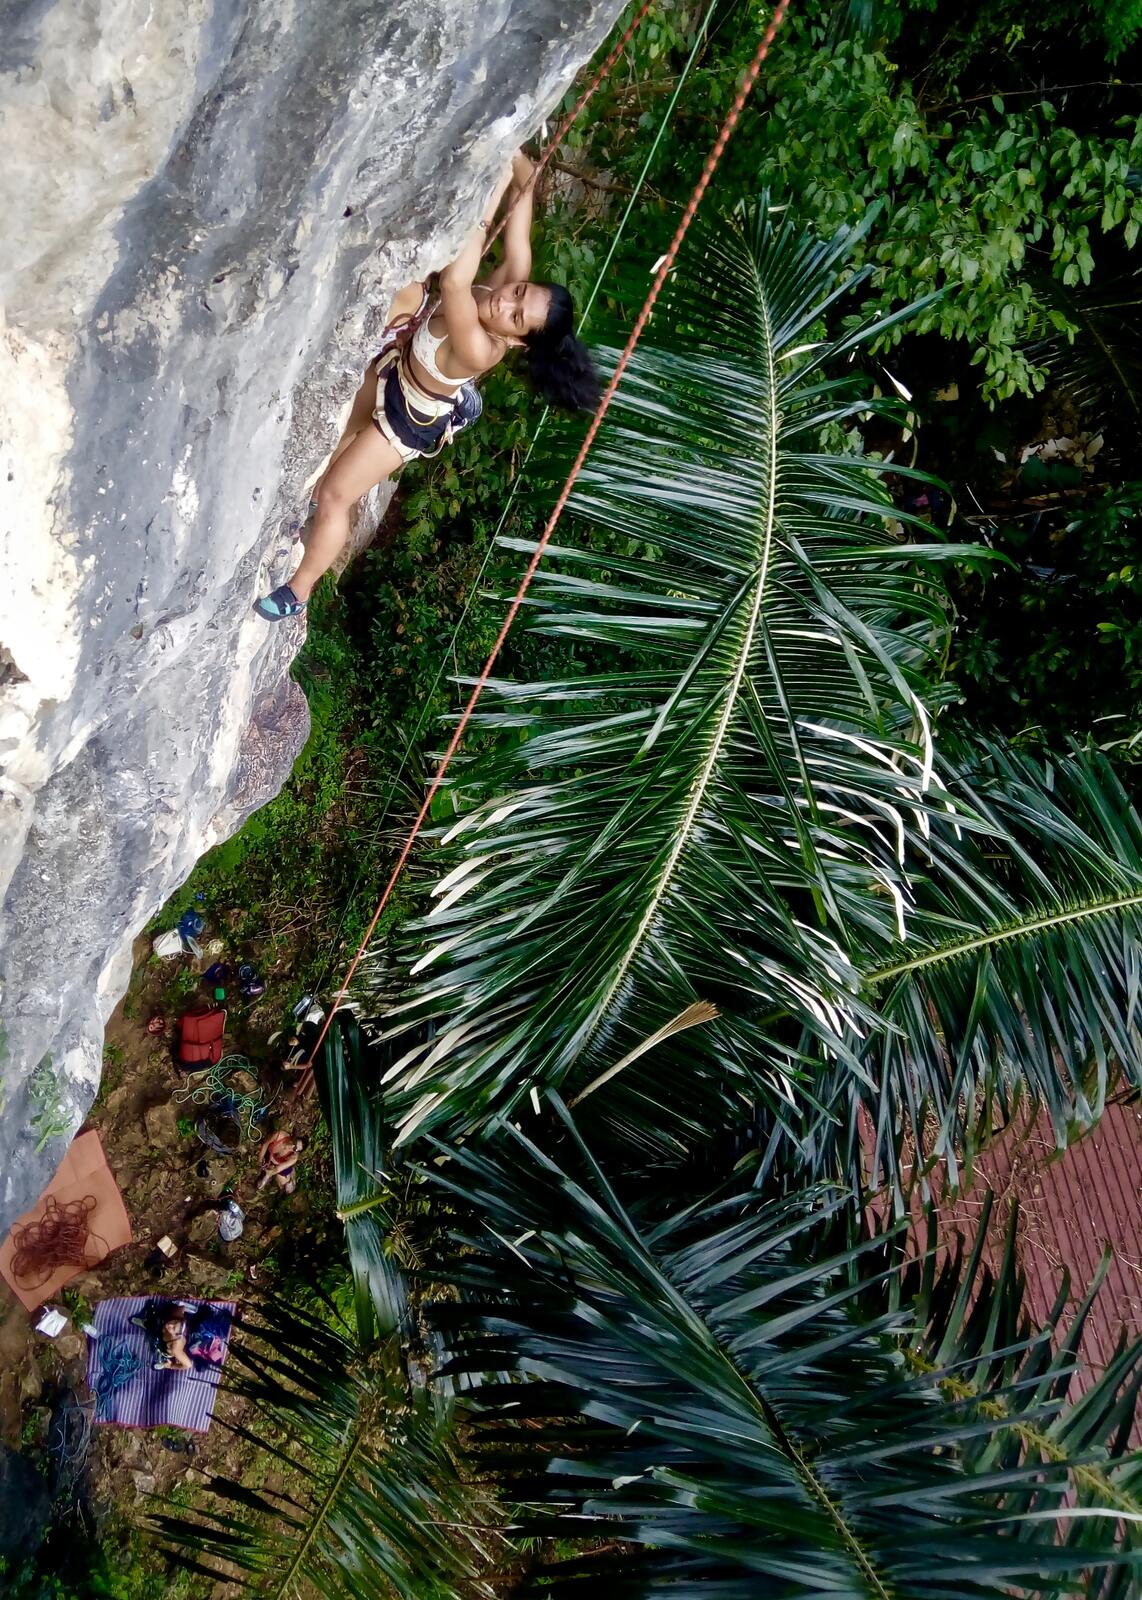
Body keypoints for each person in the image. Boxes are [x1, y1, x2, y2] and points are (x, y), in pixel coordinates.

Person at [254, 150, 599, 621]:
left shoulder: (483, 349)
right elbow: (525, 200)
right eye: (519, 293)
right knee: (328, 444)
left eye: (517, 317)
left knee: (336, 494)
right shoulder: (510, 286)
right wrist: (515, 157)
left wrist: (488, 194)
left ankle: (298, 591)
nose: (505, 303)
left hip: (407, 421)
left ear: (518, 341)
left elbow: (456, 283)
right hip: (396, 369)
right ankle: (303, 515)